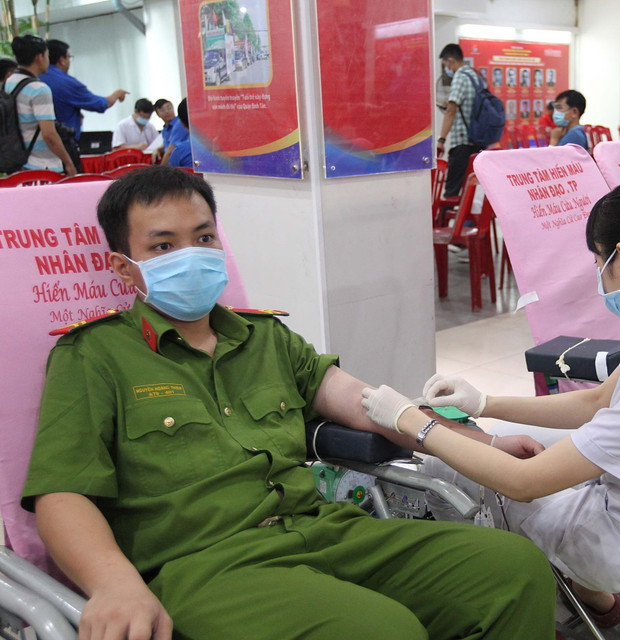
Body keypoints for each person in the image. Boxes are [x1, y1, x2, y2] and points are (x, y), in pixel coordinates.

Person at [21, 166, 556, 640]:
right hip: (205, 567)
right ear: (123, 267)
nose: (191, 256)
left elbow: (371, 404)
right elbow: (62, 493)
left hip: (322, 528)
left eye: (203, 237)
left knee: (513, 569)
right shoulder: (93, 355)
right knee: (381, 631)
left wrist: (483, 442)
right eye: (163, 247)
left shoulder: (265, 337)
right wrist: (114, 584)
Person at [360, 174, 620, 627]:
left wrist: (413, 422)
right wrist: (484, 403)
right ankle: (593, 601)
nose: (598, 272)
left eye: (598, 260)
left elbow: (523, 483)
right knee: (503, 437)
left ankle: (504, 608)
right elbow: (596, 402)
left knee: (444, 467)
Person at [5, 35, 76, 175]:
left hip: (17, 164)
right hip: (42, 168)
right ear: (39, 57)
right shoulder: (39, 89)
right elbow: (49, 135)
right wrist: (68, 163)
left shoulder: (10, 82)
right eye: (47, 55)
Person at [39, 39, 127, 140]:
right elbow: (100, 104)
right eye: (69, 57)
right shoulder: (67, 83)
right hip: (61, 141)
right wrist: (117, 94)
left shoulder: (35, 78)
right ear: (62, 60)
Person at [436, 44, 483, 198]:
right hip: (477, 141)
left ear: (451, 60)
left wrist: (441, 140)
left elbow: (451, 111)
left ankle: (449, 214)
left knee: (451, 191)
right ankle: (466, 214)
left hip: (462, 143)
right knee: (469, 190)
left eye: (446, 65)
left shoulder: (460, 77)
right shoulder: (475, 77)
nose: (447, 69)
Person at [162, 98, 192, 168]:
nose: (166, 112)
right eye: (162, 110)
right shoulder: (164, 129)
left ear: (182, 123)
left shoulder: (179, 152)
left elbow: (169, 152)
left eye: (169, 108)